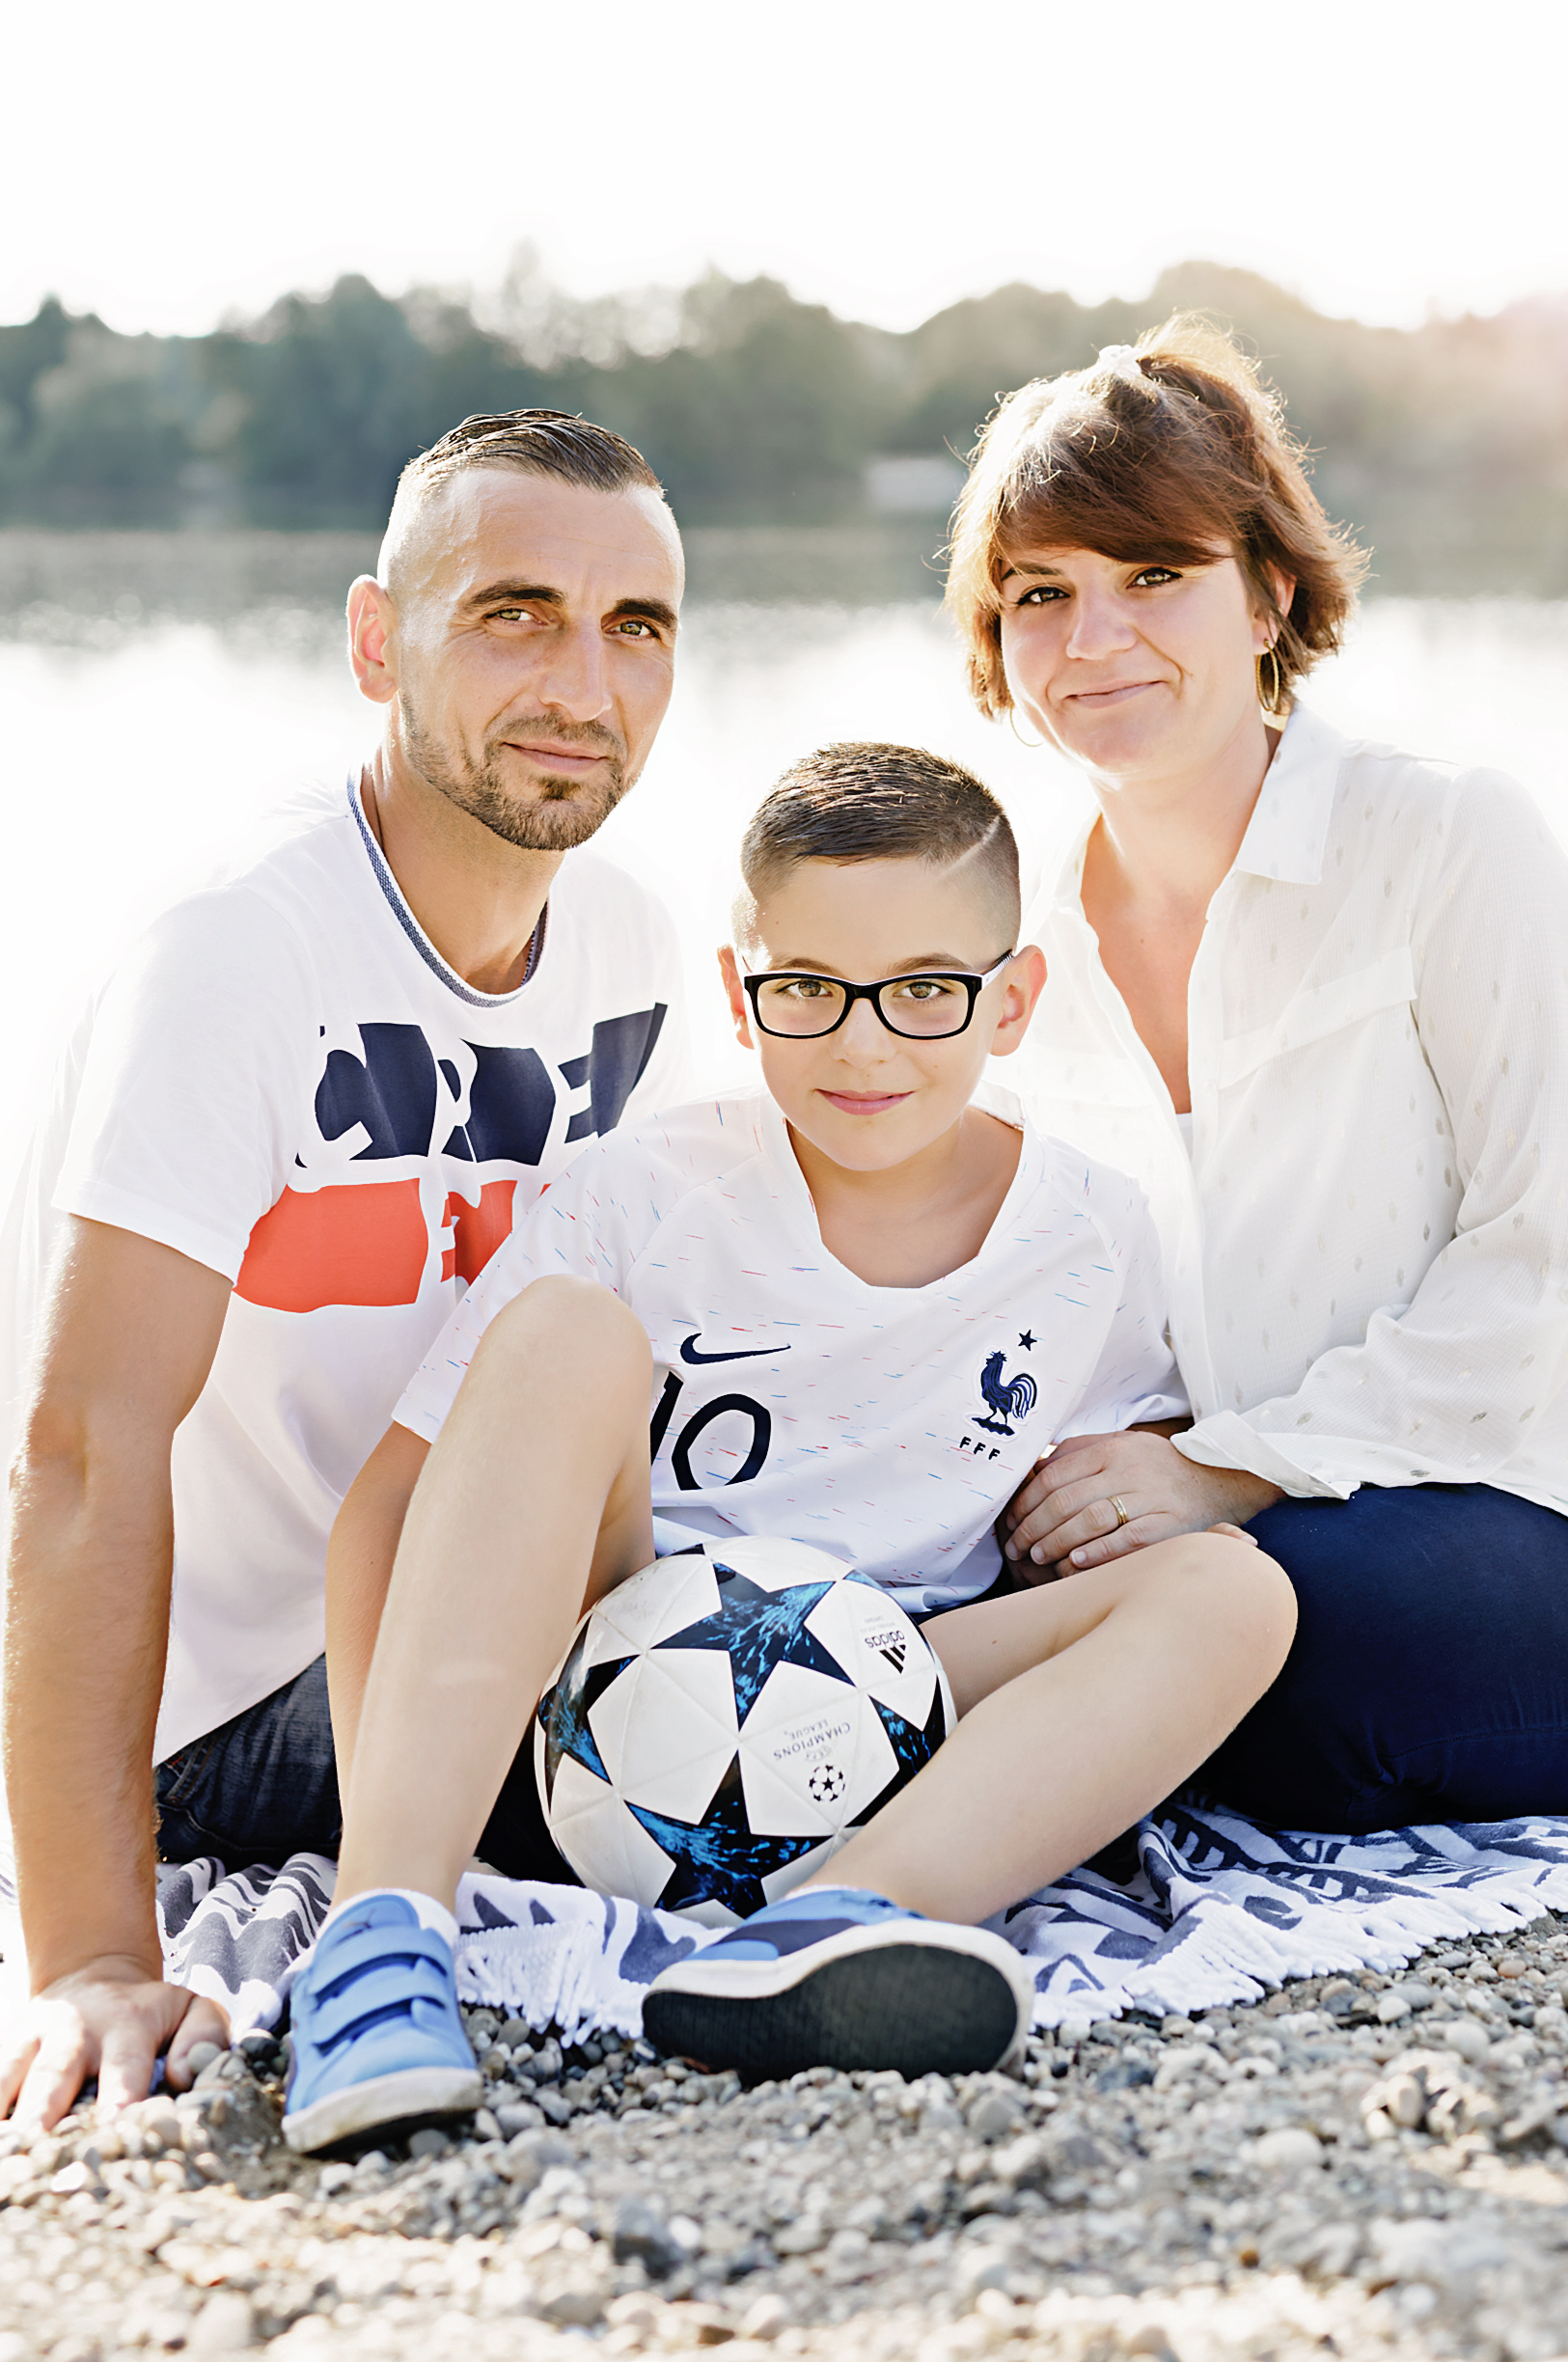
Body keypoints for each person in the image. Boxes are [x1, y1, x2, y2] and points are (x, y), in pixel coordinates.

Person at [284, 743, 1294, 2154]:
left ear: (1014, 1000)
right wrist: (371, 1847)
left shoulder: (1092, 1234)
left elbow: (1124, 1455)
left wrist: (1177, 1471)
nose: (863, 1046)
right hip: (603, 1689)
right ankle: (384, 1948)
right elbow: (392, 1515)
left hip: (887, 1697)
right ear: (738, 993)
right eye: (808, 989)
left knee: (1237, 1589)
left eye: (926, 991)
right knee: (565, 1332)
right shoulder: (640, 1192)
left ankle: (831, 1929)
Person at [944, 322, 1568, 1827]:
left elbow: (1544, 1265)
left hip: (1556, 1512)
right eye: (1041, 593)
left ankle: (918, 1731)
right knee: (1031, 1590)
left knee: (1289, 1661)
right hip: (1225, 1525)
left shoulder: (1449, 842)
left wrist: (1227, 1470)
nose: (1094, 638)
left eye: (1153, 575)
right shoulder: (1013, 948)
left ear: (1270, 595)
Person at [0, 409, 690, 2133]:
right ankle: (403, 1941)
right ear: (378, 642)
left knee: (890, 1662)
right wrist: (91, 1950)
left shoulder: (634, 944)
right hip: (234, 1708)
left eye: (635, 627)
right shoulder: (242, 949)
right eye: (515, 614)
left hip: (474, 1601)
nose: (583, 685)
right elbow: (84, 1446)